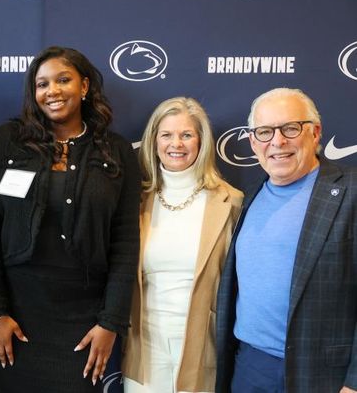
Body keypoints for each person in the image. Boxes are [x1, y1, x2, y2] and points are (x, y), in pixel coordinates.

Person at [0, 46, 140, 392]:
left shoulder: (116, 151)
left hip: (84, 324)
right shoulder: (7, 142)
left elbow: (125, 242)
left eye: (64, 80)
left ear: (84, 86)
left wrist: (111, 322)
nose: (53, 91)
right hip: (15, 317)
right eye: (42, 84)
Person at [215, 88, 357, 393]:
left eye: (291, 128)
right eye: (264, 132)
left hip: (324, 375)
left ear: (315, 133)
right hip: (250, 366)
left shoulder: (351, 192)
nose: (277, 142)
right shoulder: (249, 196)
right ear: (253, 142)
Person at [122, 97, 243, 392]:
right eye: (167, 134)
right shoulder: (133, 201)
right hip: (144, 349)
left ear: (201, 141)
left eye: (186, 134)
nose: (176, 143)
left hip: (203, 348)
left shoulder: (231, 202)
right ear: (154, 141)